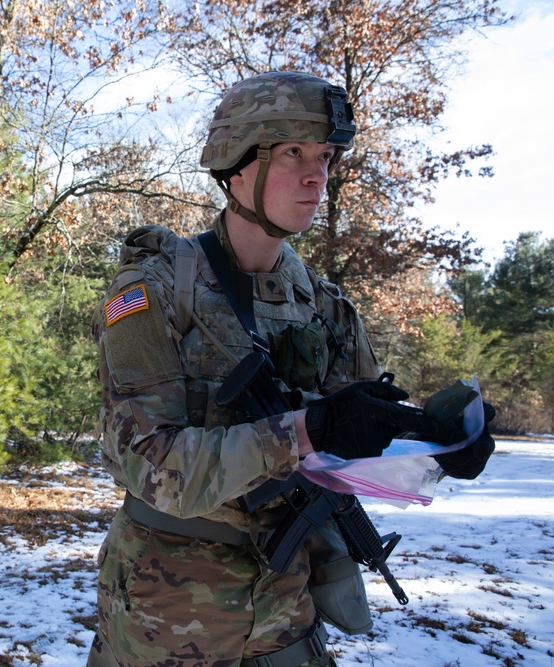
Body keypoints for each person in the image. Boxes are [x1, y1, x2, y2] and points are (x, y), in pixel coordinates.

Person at [87, 71, 495, 667]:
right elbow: (151, 466)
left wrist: (440, 443)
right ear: (236, 165)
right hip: (167, 612)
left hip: (287, 609)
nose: (316, 175)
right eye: (293, 154)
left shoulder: (325, 309)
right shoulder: (153, 294)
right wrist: (304, 431)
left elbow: (355, 440)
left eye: (325, 157)